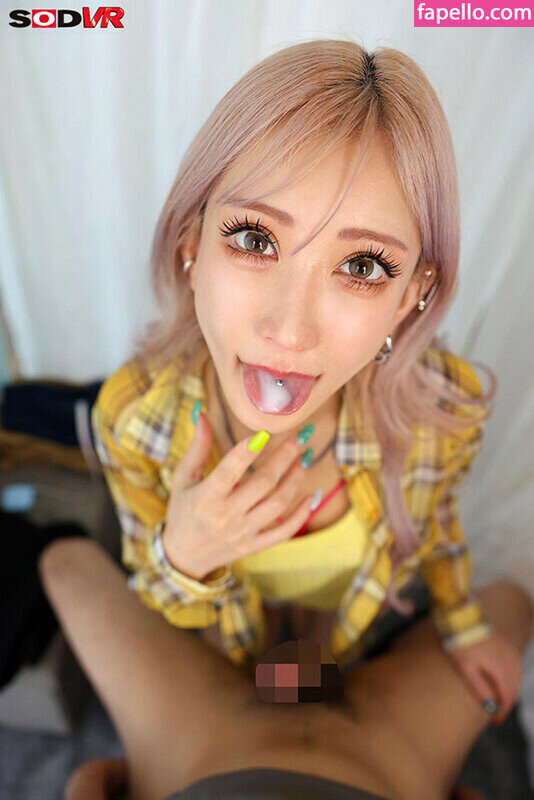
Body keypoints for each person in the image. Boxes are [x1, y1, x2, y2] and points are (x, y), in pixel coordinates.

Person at [90, 38, 517, 722]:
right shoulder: (134, 418)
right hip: (218, 657)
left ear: (411, 294)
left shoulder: (443, 414)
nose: (289, 331)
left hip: (354, 645)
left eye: (363, 266)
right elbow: (159, 600)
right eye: (255, 239)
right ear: (191, 243)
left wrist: (465, 626)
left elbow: (437, 527)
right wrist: (184, 554)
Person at [38, 536, 532, 800]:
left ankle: (253, 642)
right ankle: (313, 640)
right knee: (511, 607)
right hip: (391, 757)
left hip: (201, 749)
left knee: (65, 564)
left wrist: (88, 788)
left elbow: (90, 780)